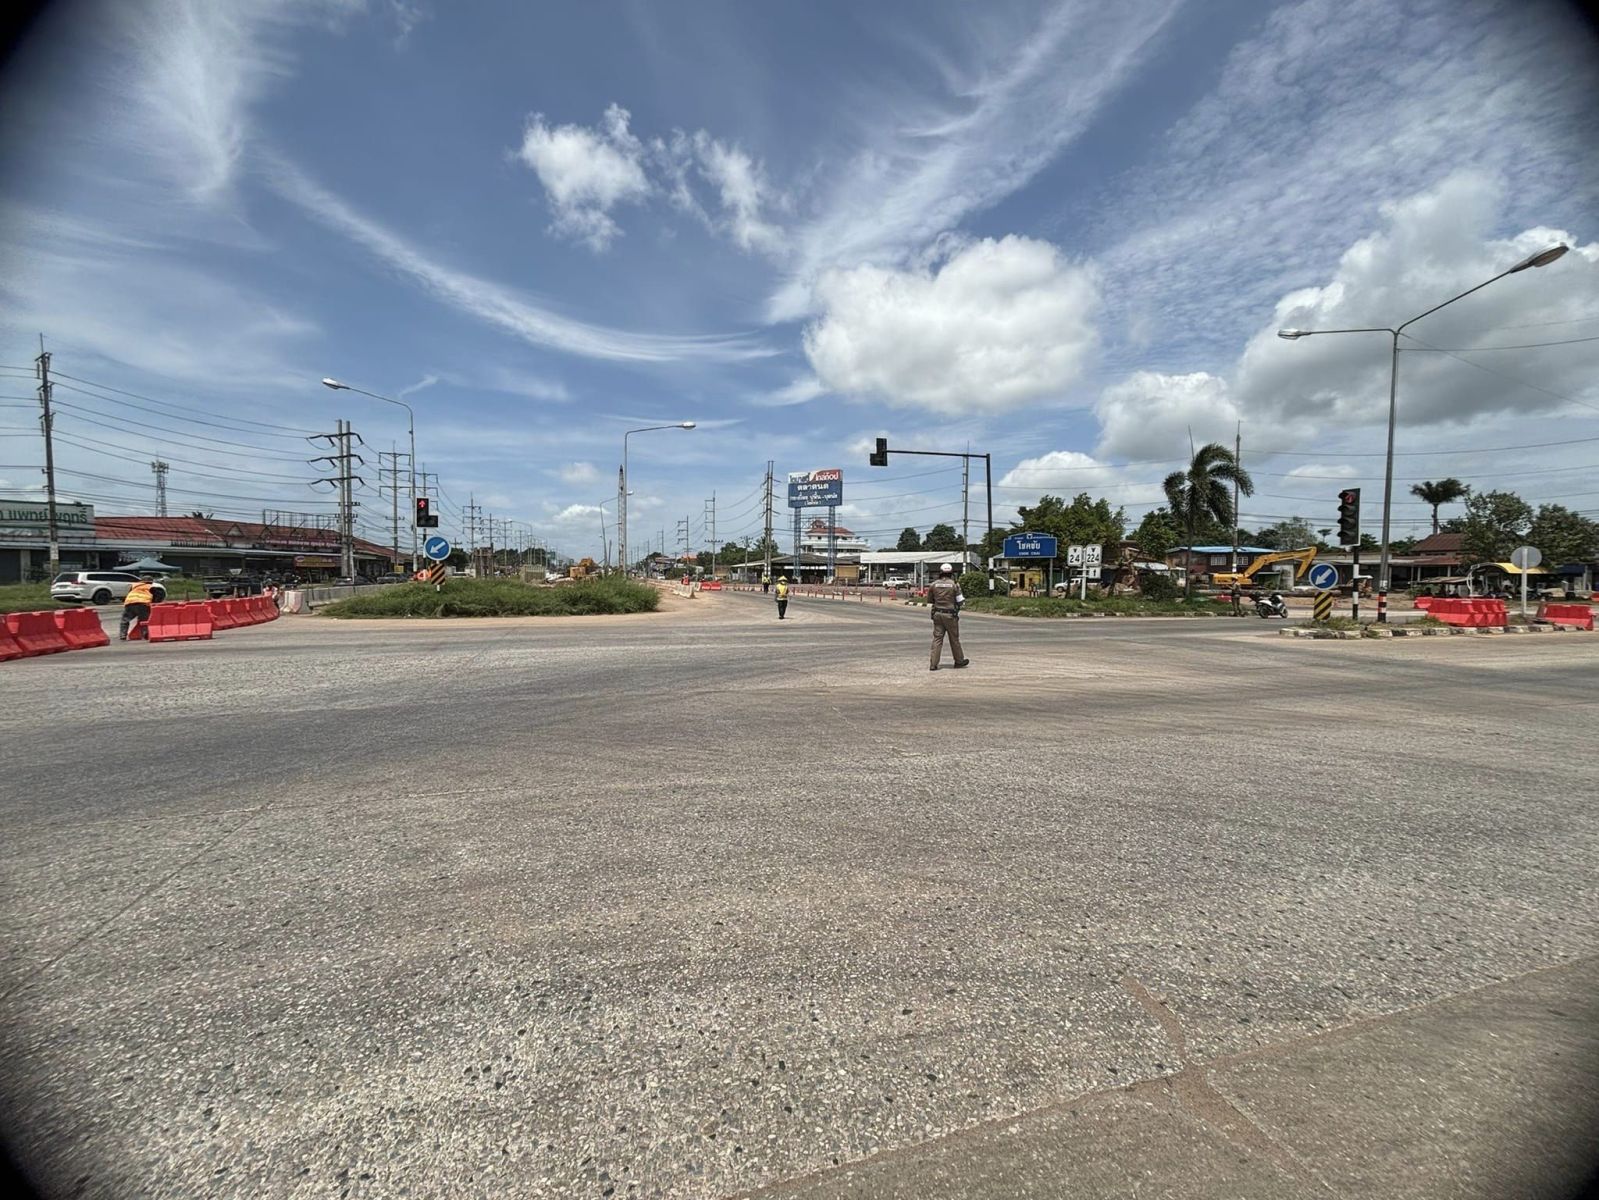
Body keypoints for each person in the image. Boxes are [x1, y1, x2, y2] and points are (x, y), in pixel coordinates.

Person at [928, 562, 969, 671]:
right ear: (951, 573)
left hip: (937, 614)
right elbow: (960, 601)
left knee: (937, 639)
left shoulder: (934, 585)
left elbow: (930, 600)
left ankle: (933, 664)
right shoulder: (955, 585)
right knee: (954, 639)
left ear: (940, 573)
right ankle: (959, 661)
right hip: (950, 615)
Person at [120, 576, 157, 641]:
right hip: (143, 604)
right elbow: (155, 598)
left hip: (130, 603)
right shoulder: (151, 587)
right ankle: (146, 634)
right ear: (151, 582)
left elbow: (129, 594)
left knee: (125, 620)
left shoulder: (134, 586)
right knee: (144, 620)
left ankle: (123, 635)